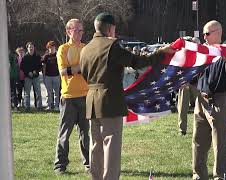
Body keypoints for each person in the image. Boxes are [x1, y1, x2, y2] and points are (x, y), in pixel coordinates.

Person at [79, 12, 175, 180]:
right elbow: (137, 62)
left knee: (96, 145)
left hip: (92, 100)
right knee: (111, 145)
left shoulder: (85, 48)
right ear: (110, 29)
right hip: (109, 100)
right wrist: (160, 52)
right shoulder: (111, 46)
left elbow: (85, 75)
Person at [192, 20, 226, 180]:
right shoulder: (204, 52)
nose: (204, 36)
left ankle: (220, 176)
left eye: (207, 33)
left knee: (220, 143)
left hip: (219, 101)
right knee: (198, 140)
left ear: (218, 33)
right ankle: (198, 174)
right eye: (204, 33)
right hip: (202, 100)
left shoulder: (225, 52)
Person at [53, 19, 89, 174]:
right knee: (64, 134)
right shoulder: (63, 49)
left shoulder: (86, 48)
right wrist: (81, 68)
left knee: (85, 134)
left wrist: (75, 69)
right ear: (68, 31)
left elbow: (90, 69)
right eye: (77, 30)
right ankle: (60, 166)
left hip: (86, 96)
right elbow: (63, 72)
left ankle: (89, 164)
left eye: (82, 30)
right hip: (68, 97)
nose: (80, 33)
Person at [177, 36, 200, 136]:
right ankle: (182, 129)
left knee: (202, 107)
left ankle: (203, 128)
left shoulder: (201, 55)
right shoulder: (183, 54)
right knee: (182, 108)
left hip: (197, 84)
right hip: (184, 83)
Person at [20, 42, 43, 111]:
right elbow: (22, 67)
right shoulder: (25, 57)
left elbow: (40, 66)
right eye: (29, 47)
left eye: (32, 47)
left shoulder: (37, 56)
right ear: (27, 48)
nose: (31, 48)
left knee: (38, 92)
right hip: (27, 77)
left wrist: (36, 71)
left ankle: (39, 107)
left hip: (36, 77)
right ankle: (27, 107)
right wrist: (28, 72)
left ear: (34, 48)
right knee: (27, 93)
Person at [42, 41, 60, 111]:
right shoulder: (46, 56)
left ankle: (57, 106)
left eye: (52, 46)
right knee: (48, 92)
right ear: (48, 48)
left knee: (56, 92)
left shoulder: (58, 55)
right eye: (49, 47)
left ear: (55, 47)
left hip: (56, 76)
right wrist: (44, 76)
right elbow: (44, 67)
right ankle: (49, 105)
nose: (51, 48)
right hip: (48, 76)